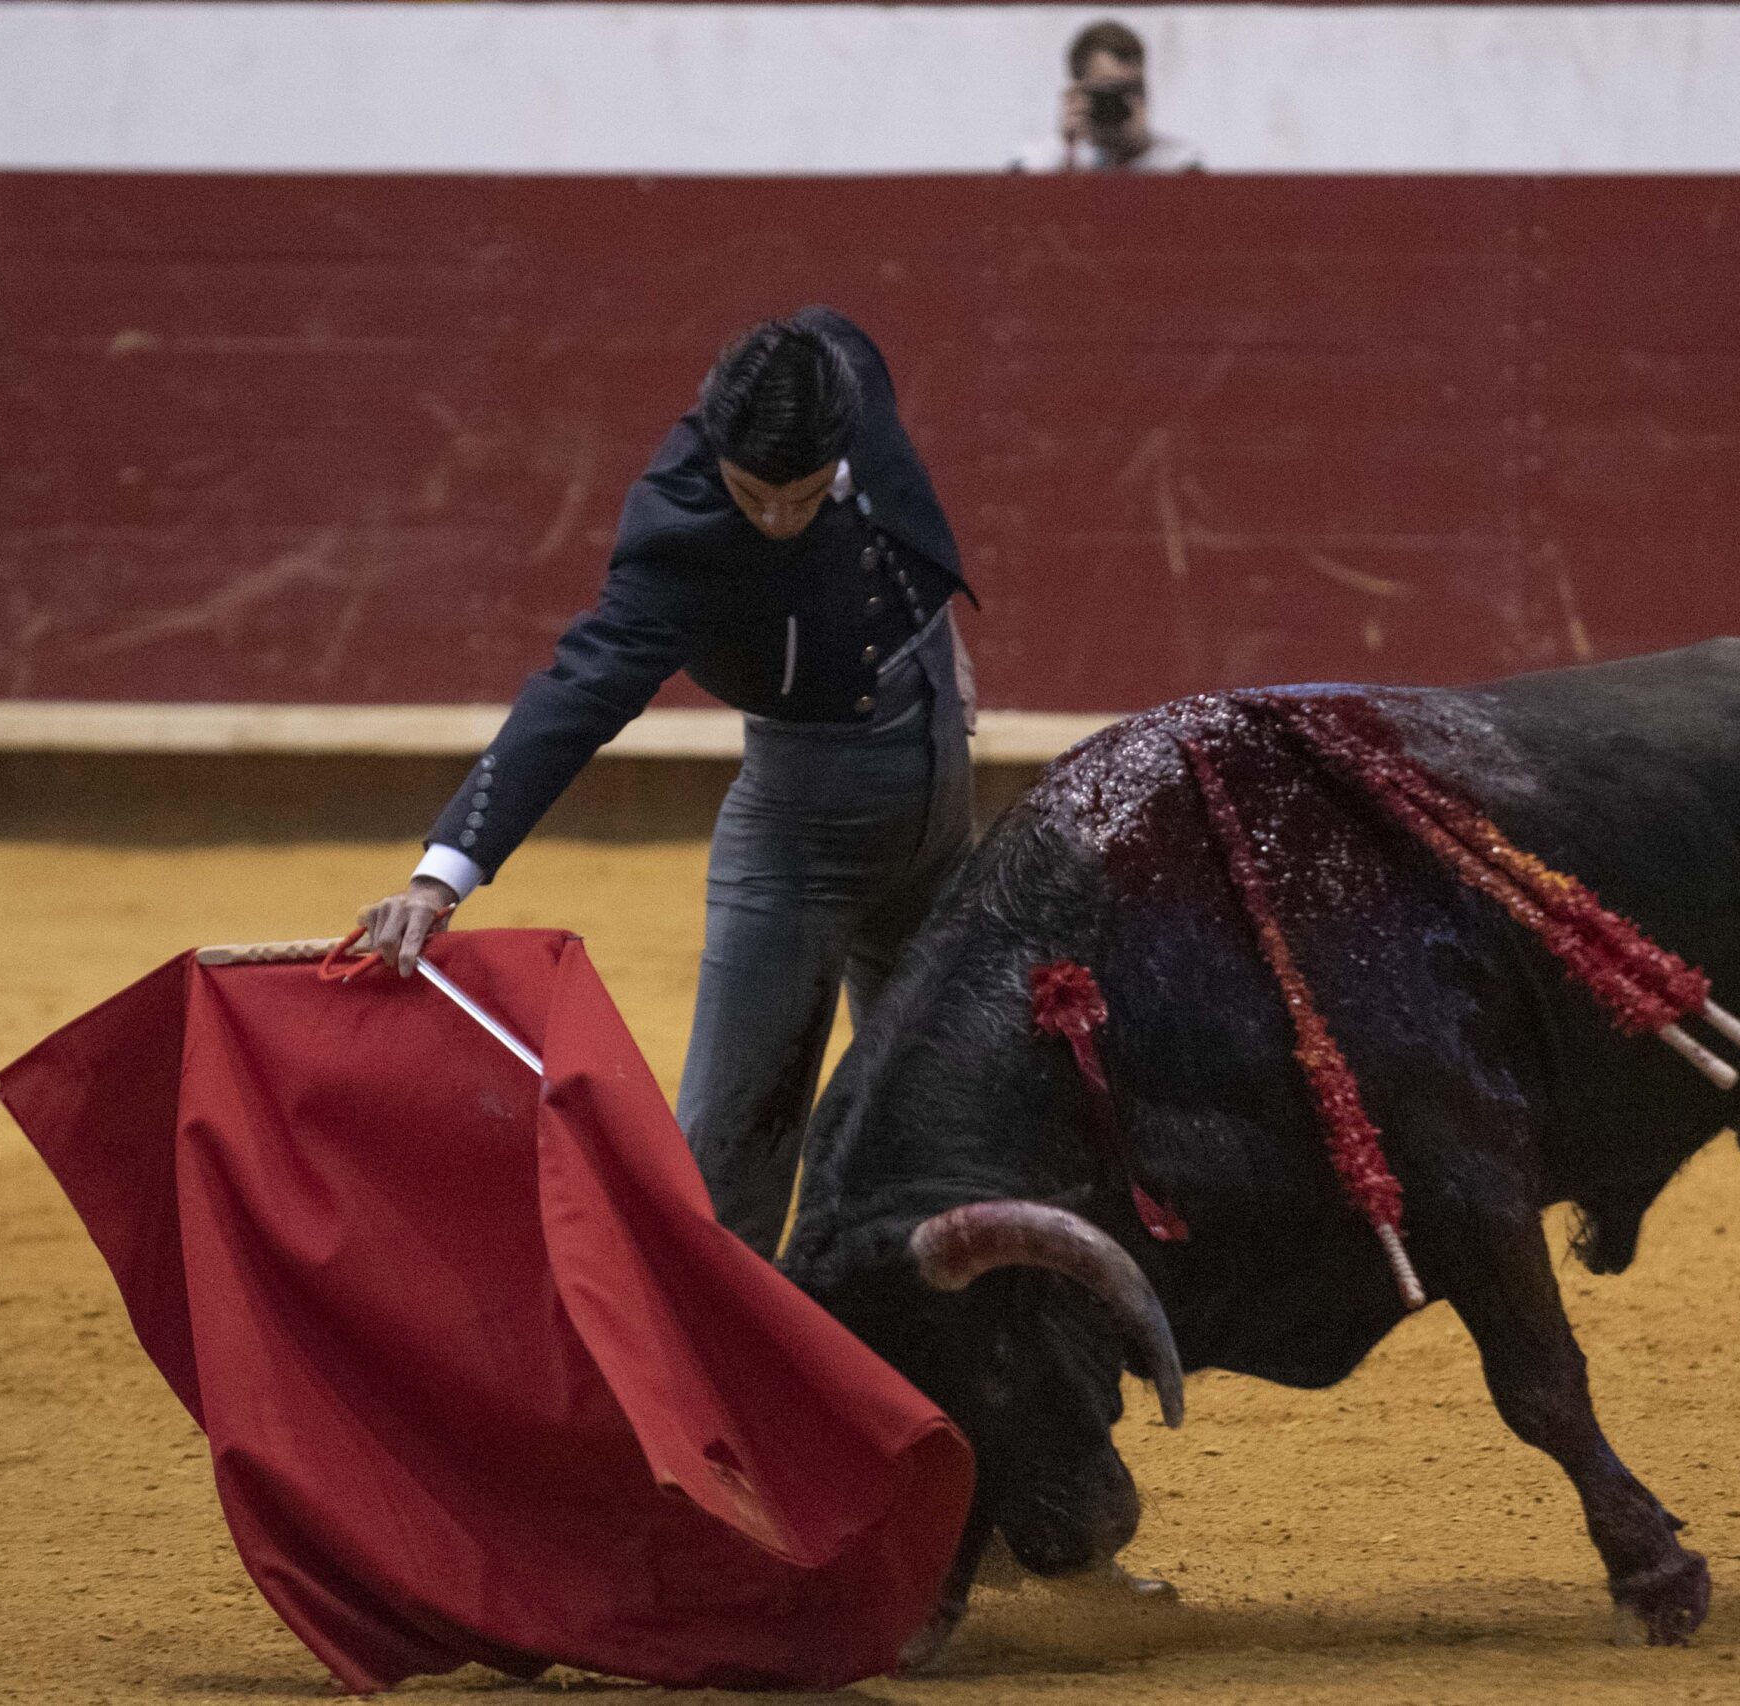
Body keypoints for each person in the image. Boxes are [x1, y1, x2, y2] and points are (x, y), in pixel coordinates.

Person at [356, 308, 978, 1257]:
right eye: (750, 496)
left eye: (799, 499)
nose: (772, 520)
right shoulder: (683, 531)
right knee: (729, 1151)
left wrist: (936, 630)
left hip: (937, 816)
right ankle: (700, 1386)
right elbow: (581, 688)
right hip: (800, 843)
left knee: (938, 1109)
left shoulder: (844, 368)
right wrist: (444, 872)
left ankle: (897, 1360)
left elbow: (896, 507)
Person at [1009, 20, 1201, 174]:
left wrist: (1140, 152)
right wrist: (1065, 150)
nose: (1122, 100)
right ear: (1077, 92)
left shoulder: (1179, 164)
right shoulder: (1036, 162)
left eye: (1134, 89)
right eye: (1110, 89)